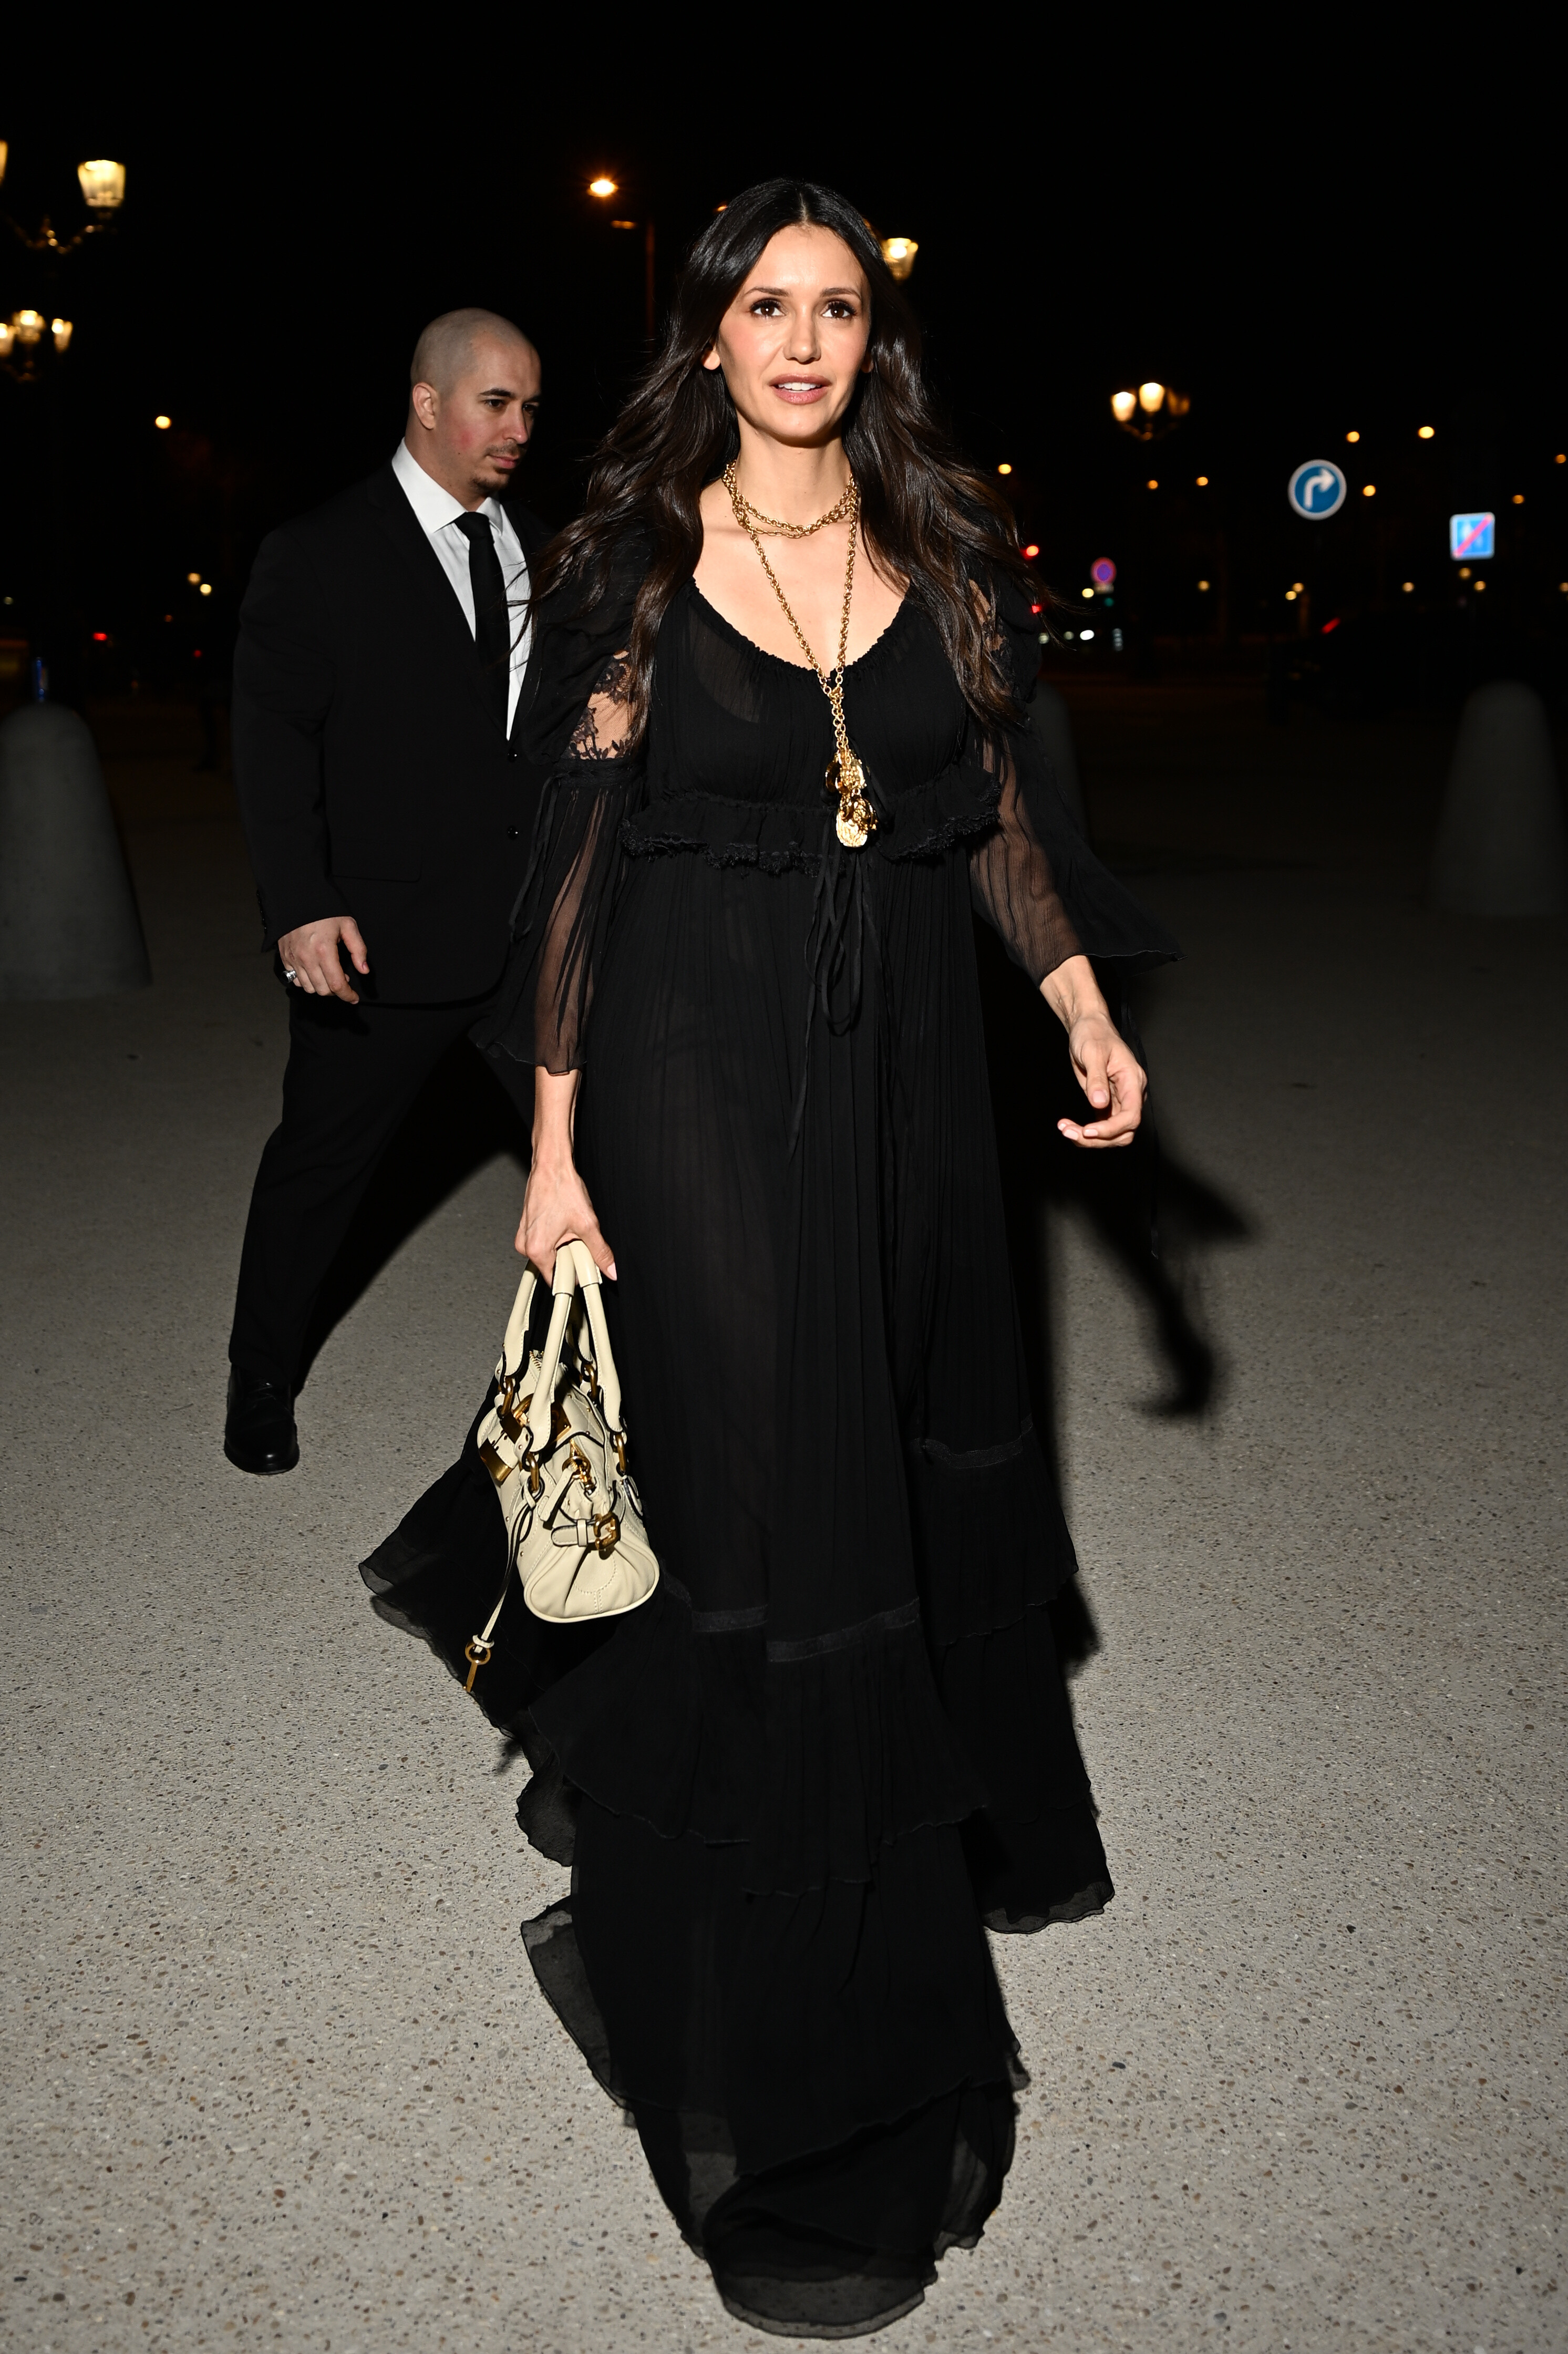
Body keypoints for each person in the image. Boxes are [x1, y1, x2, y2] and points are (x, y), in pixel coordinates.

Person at [363, 184, 1178, 2336]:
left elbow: (988, 810)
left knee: (888, 1454)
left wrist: (1078, 1002)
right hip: (686, 1076)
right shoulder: (632, 566)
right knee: (772, 1499)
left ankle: (656, 1723)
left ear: (868, 339)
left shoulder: (940, 551)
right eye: (764, 307)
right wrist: (552, 1152)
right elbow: (571, 875)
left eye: (836, 307)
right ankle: (818, 2072)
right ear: (708, 337)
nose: (802, 340)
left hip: (907, 1083)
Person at [225, 309, 550, 1474]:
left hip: (529, 931)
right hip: (378, 939)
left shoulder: (540, 548)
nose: (519, 428)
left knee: (609, 1152)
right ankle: (261, 1375)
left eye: (530, 408)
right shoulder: (319, 550)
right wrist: (300, 905)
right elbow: (273, 742)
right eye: (495, 403)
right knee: (321, 1168)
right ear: (427, 402)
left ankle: (642, 1377)